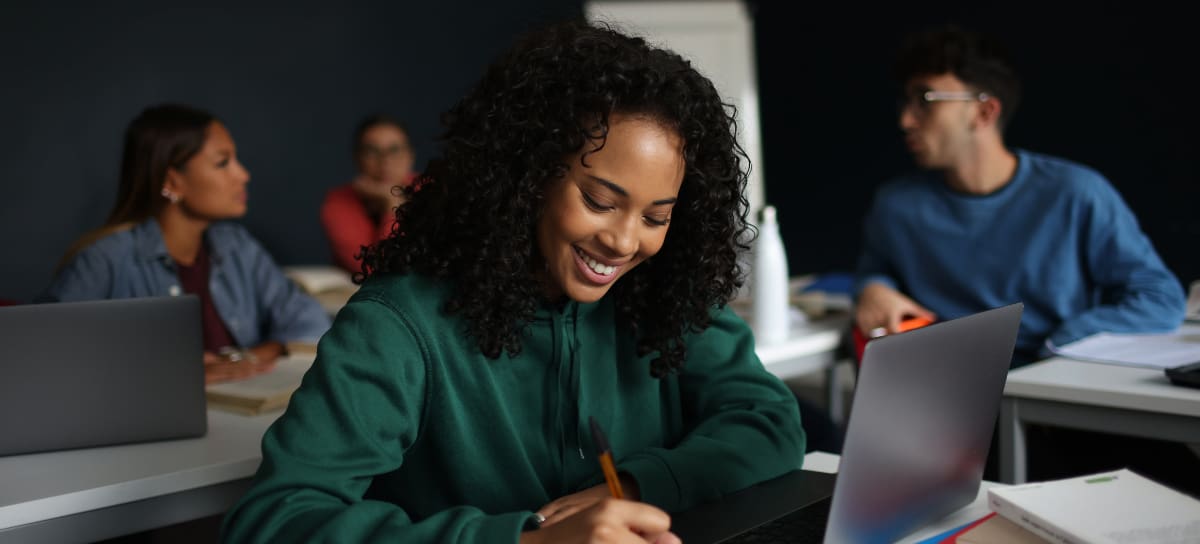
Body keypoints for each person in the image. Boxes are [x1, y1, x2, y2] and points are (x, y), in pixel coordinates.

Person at [221, 20, 807, 543]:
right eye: (600, 201)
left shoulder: (657, 295)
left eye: (657, 217)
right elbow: (274, 520)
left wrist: (633, 485)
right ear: (528, 175)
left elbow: (770, 420)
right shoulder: (399, 325)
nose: (626, 242)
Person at [855, 24, 1197, 495]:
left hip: (1059, 404)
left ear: (984, 110)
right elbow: (876, 270)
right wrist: (872, 286)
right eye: (905, 102)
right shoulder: (896, 206)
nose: (905, 120)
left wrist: (1059, 342)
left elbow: (1159, 296)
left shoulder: (1075, 193)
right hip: (952, 413)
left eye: (925, 100)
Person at [42, 104, 331, 384]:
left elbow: (311, 321)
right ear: (173, 181)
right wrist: (167, 375)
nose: (243, 174)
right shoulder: (105, 260)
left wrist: (250, 357)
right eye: (222, 162)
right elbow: (42, 360)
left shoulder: (237, 246)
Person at [320, 114, 418, 273]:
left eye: (394, 150)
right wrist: (392, 203)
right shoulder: (338, 203)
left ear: (410, 156)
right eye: (372, 152)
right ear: (357, 158)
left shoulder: (430, 190)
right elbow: (376, 270)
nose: (385, 161)